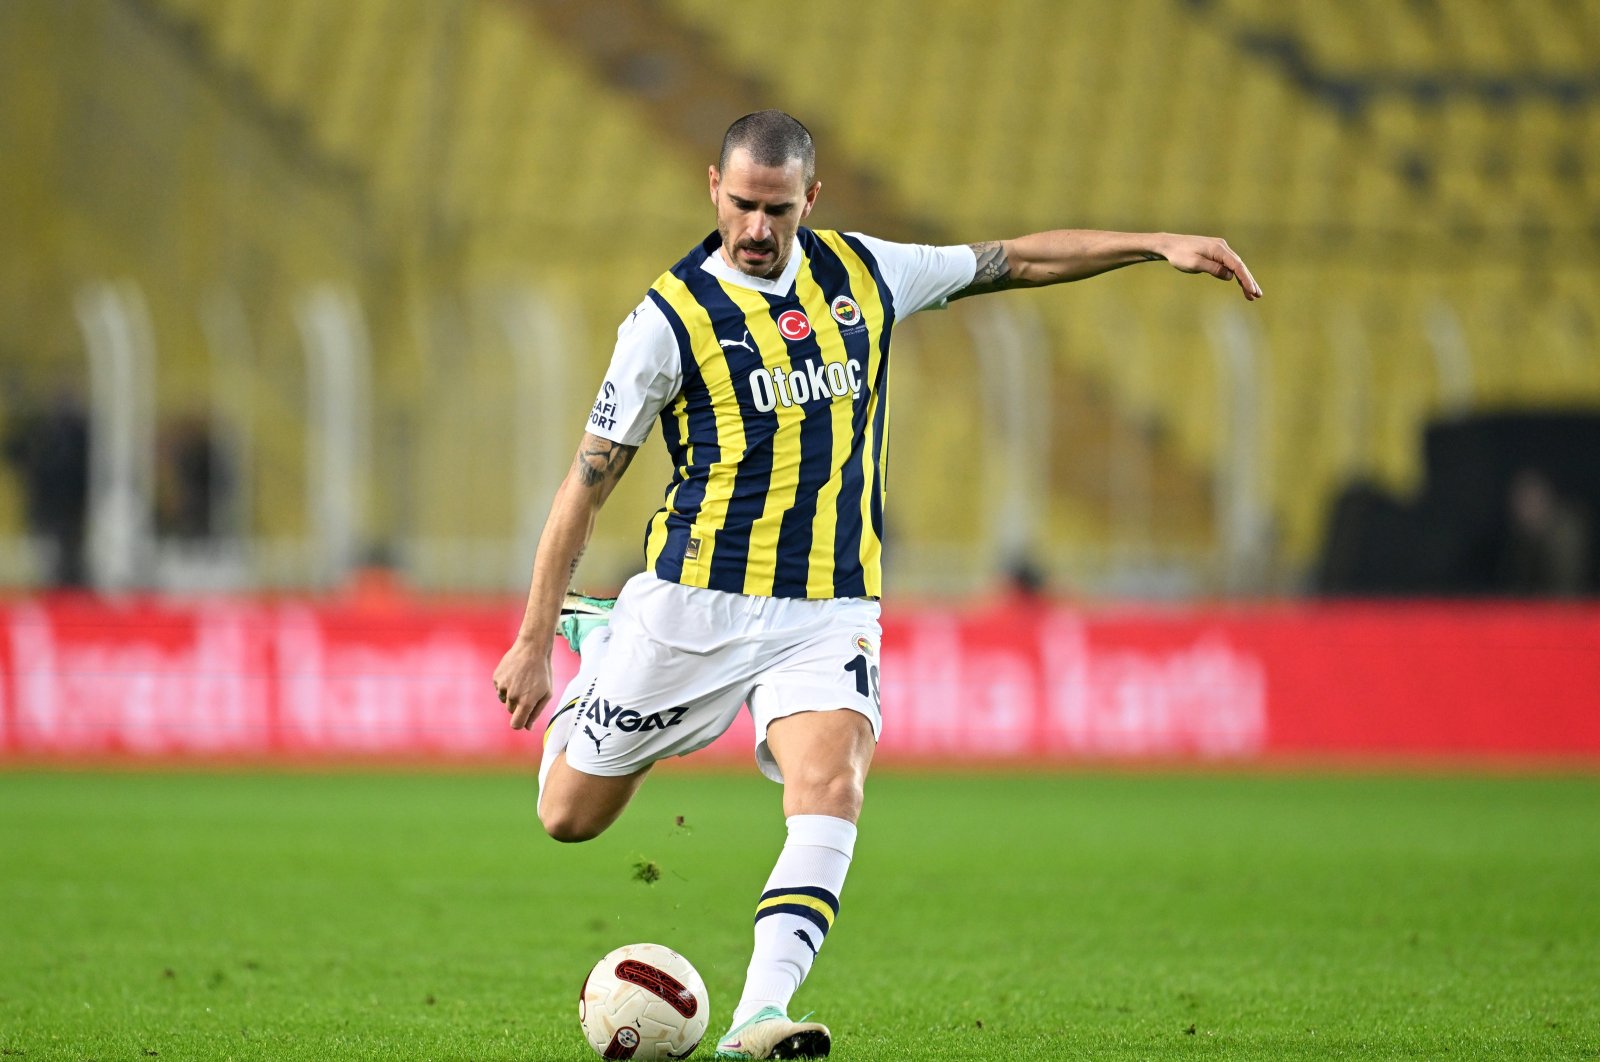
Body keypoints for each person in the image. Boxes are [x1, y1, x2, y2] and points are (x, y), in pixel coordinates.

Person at [492, 109, 1261, 1059]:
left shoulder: (865, 274)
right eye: (742, 205)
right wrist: (533, 637)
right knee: (569, 817)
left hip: (829, 606)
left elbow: (1013, 259)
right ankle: (597, 641)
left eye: (778, 208)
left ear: (810, 198)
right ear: (712, 189)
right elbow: (586, 486)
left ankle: (755, 1018)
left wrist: (1154, 244)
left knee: (833, 786)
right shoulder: (667, 322)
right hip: (691, 603)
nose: (758, 228)